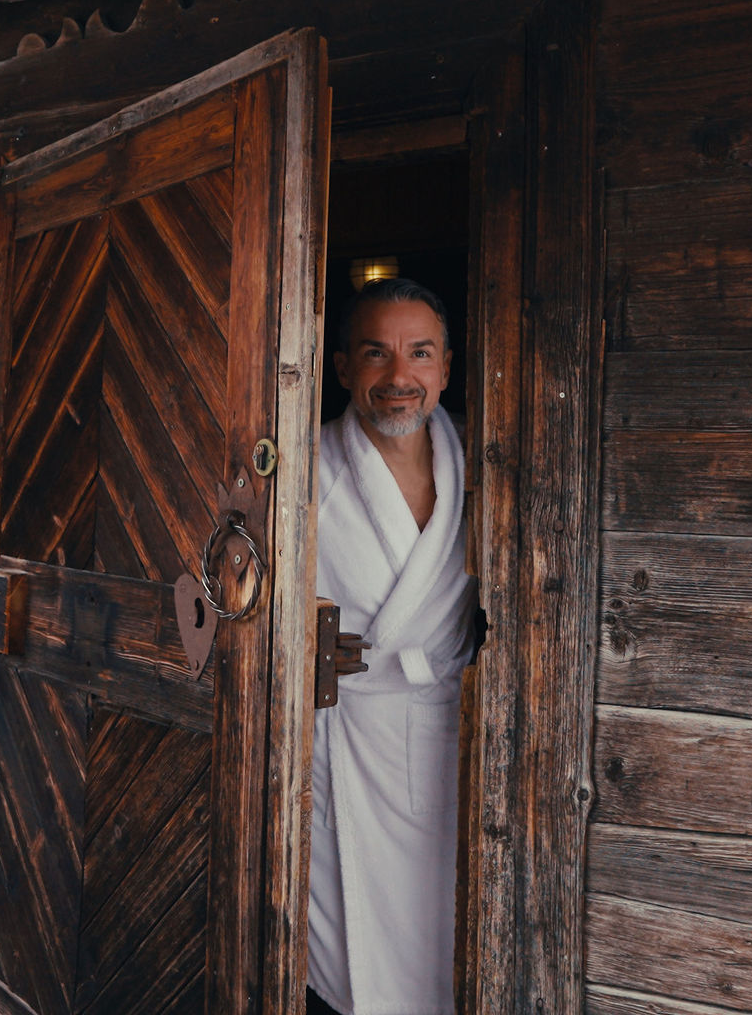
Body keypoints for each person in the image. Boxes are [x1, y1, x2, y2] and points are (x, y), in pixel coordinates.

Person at [306, 277, 476, 1015]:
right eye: (376, 354)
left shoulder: (482, 458)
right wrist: (292, 618)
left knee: (449, 930)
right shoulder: (301, 473)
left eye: (419, 354)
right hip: (347, 740)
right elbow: (221, 589)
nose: (398, 377)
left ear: (445, 367)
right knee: (353, 943)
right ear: (343, 369)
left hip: (453, 737)